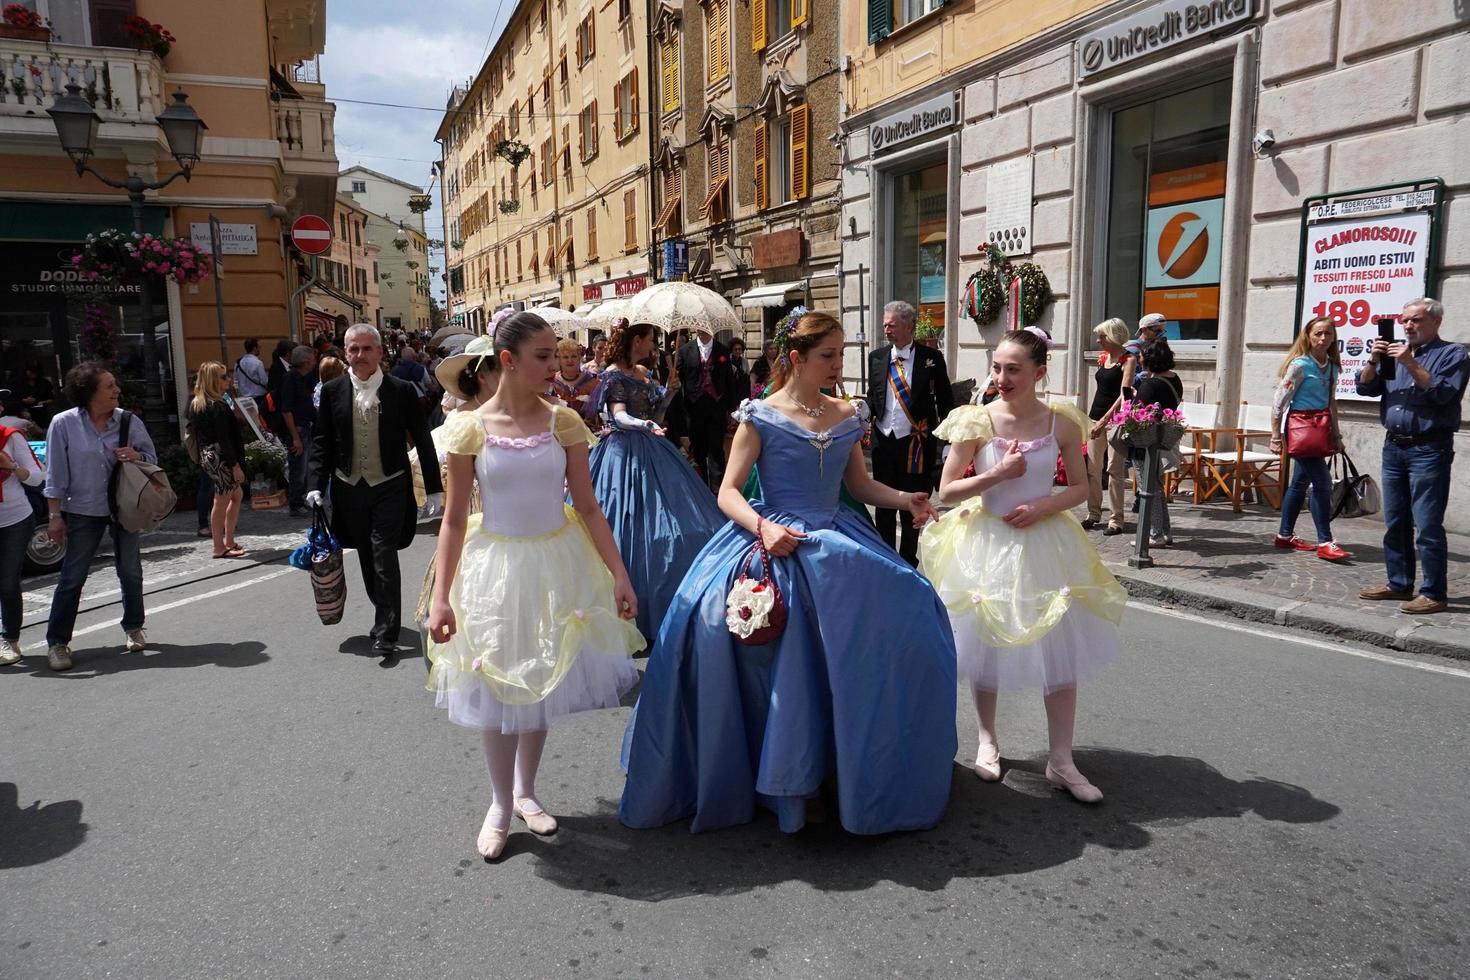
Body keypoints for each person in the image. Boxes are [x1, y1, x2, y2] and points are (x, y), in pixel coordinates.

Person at [620, 312, 958, 836]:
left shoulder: (847, 415)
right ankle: (785, 774)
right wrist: (763, 529)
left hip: (835, 532)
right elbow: (727, 492)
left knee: (909, 604)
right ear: (797, 358)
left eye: (842, 354)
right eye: (828, 355)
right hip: (771, 533)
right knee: (733, 634)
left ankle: (841, 765)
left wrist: (906, 497)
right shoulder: (759, 416)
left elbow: (861, 487)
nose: (838, 364)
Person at [425, 312, 641, 860]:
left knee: (541, 680)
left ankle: (526, 791)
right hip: (494, 568)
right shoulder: (469, 429)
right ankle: (500, 802)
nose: (554, 365)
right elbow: (452, 519)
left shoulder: (564, 422)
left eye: (554, 355)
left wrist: (618, 573)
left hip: (554, 564)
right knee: (497, 686)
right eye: (543, 356)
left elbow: (588, 507)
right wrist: (441, 596)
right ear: (508, 360)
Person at [920, 327, 1126, 803]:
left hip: (1044, 543)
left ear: (1039, 372)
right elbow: (947, 491)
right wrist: (996, 473)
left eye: (1013, 369)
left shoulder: (1061, 422)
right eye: (997, 367)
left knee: (1060, 649)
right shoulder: (976, 420)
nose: (1002, 377)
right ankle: (988, 740)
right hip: (985, 540)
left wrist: (1042, 507)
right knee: (985, 644)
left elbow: (1079, 488)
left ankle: (1061, 760)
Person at [307, 324, 442, 656]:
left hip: (390, 485)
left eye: (367, 349)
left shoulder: (402, 391)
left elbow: (423, 440)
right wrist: (314, 485)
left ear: (381, 353)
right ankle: (383, 612)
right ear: (345, 354)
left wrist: (435, 490)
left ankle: (387, 630)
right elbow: (322, 442)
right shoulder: (333, 391)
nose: (360, 356)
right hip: (348, 487)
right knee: (366, 555)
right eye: (353, 349)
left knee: (383, 552)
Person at [588, 320, 722, 643]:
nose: (653, 346)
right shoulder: (613, 375)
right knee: (627, 524)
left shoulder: (644, 373)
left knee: (678, 521)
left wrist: (671, 392)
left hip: (654, 448)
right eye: (650, 340)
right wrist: (642, 423)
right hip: (623, 453)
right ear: (637, 340)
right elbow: (618, 416)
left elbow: (660, 416)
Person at [1356, 297, 1468, 615]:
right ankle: (1399, 583)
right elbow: (1366, 389)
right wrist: (1374, 361)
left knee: (1428, 524)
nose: (1408, 326)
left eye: (1416, 320)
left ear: (1435, 322)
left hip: (1429, 448)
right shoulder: (1393, 355)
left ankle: (1434, 592)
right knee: (1395, 521)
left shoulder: (1453, 353)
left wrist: (1410, 363)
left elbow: (1444, 394)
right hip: (1394, 446)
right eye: (1405, 320)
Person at [42, 363, 156, 672]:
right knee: (73, 577)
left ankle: (134, 627)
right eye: (109, 386)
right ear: (90, 393)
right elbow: (55, 474)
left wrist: (136, 456)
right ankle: (57, 642)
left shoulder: (128, 421)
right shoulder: (63, 424)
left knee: (130, 570)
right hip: (82, 510)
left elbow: (151, 458)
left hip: (123, 508)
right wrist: (55, 516)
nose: (117, 390)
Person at [865, 300, 954, 566]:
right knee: (884, 504)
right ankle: (885, 557)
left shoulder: (932, 359)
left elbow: (945, 401)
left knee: (912, 503)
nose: (886, 329)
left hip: (916, 444)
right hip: (884, 441)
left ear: (909, 326)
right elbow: (875, 396)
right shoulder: (877, 357)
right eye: (884, 325)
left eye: (891, 325)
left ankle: (907, 559)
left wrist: (948, 442)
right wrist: (862, 411)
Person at [1270, 316, 1348, 561]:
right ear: (1308, 336)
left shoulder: (1334, 366)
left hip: (1320, 427)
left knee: (1299, 484)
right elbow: (1279, 402)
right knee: (1323, 484)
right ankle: (1325, 541)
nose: (1323, 339)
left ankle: (1284, 536)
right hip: (1300, 428)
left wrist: (1337, 434)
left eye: (1328, 334)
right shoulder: (1300, 365)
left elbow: (1331, 402)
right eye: (1318, 334)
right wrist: (1274, 436)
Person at [188, 362, 248, 559]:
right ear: (214, 381)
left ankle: (228, 541)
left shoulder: (199, 403)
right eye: (224, 377)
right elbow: (225, 439)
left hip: (209, 455)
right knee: (221, 499)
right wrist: (235, 465)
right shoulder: (217, 406)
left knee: (235, 495)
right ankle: (218, 546)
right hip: (220, 456)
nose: (228, 380)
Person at [0, 415, 44, 665]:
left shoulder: (10, 437)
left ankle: (10, 639)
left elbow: (37, 477)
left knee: (7, 583)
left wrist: (11, 466)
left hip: (14, 519)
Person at [1131, 341, 1184, 549]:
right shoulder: (1174, 379)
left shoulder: (1150, 385)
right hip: (1163, 440)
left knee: (1148, 488)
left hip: (1145, 441)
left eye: (1142, 355)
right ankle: (1165, 532)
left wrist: (1134, 396)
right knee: (1158, 487)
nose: (1140, 358)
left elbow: (1136, 412)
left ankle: (1154, 534)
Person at [1084, 318, 1134, 532]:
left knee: (1115, 470)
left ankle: (1116, 519)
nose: (1098, 340)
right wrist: (1093, 420)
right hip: (1095, 416)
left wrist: (1105, 420)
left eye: (1102, 336)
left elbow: (1124, 394)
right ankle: (1093, 513)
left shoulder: (1128, 359)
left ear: (1114, 336)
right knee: (1093, 469)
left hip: (1115, 421)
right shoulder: (1103, 357)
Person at [675, 324, 738, 491]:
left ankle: (718, 489)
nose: (701, 330)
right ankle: (701, 488)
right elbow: (678, 381)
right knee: (698, 449)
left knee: (716, 449)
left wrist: (733, 410)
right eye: (698, 327)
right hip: (694, 407)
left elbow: (729, 382)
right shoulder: (684, 351)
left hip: (716, 406)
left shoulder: (723, 350)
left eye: (704, 328)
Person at [280, 345, 319, 516]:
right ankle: (295, 504)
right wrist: (295, 437)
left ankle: (300, 499)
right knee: (298, 469)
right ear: (306, 362)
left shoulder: (301, 378)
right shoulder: (291, 378)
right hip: (298, 429)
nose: (314, 363)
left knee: (303, 468)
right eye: (312, 360)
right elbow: (286, 410)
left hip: (304, 427)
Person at [548, 338, 602, 422]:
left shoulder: (592, 380)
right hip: (559, 429)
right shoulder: (552, 381)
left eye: (573, 356)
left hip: (587, 429)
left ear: (579, 357)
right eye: (565, 357)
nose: (570, 360)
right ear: (559, 359)